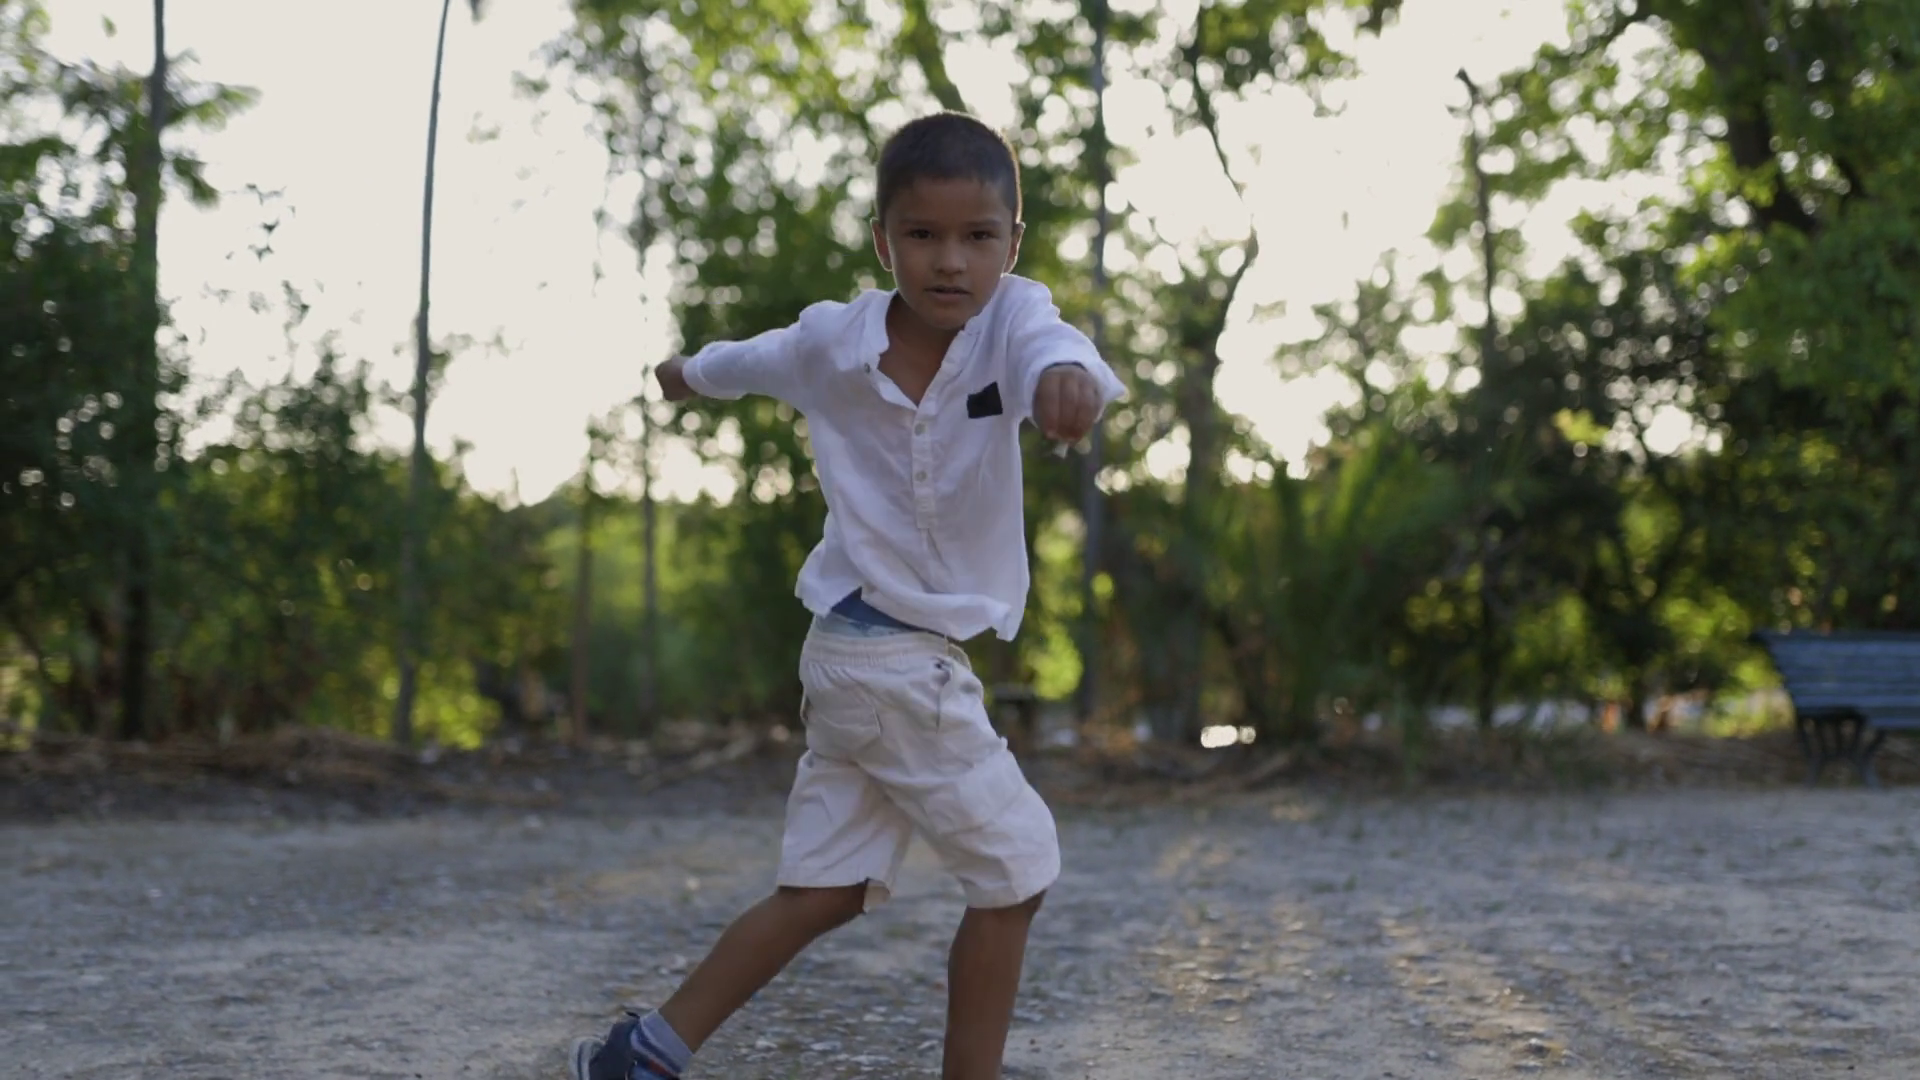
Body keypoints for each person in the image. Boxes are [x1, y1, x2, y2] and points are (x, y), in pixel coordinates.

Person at [570, 110, 1125, 1080]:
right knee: (1017, 873)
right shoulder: (832, 341)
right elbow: (748, 358)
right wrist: (685, 375)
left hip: (863, 665)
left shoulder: (1014, 322)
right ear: (882, 241)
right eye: (922, 235)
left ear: (1011, 244)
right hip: (885, 661)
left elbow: (1055, 347)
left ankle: (641, 1056)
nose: (949, 260)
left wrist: (1070, 380)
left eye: (977, 237)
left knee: (825, 890)